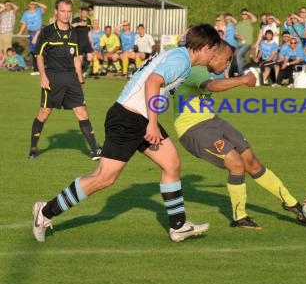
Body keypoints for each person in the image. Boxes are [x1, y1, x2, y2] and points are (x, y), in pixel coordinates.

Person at [31, 24, 221, 243]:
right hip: (129, 119)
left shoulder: (180, 57)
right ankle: (45, 212)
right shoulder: (181, 60)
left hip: (138, 117)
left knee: (171, 163)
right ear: (206, 48)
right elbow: (153, 83)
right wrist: (152, 124)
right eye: (215, 51)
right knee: (104, 177)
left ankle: (178, 226)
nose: (215, 55)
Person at [175, 42, 306, 229]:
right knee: (236, 164)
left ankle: (293, 204)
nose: (228, 64)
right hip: (194, 129)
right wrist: (242, 80)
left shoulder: (203, 70)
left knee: (251, 161)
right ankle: (239, 217)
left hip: (213, 121)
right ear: (213, 56)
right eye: (227, 59)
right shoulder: (196, 70)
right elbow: (213, 85)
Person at [28, 0, 102, 161]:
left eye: (69, 11)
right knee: (44, 113)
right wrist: (43, 77)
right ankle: (33, 147)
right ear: (56, 11)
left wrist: (80, 79)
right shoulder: (47, 31)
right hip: (52, 77)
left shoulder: (75, 33)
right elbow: (39, 56)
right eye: (62, 11)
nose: (66, 14)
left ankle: (95, 149)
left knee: (82, 111)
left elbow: (77, 58)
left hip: (71, 78)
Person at [17, 0, 47, 75]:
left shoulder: (38, 11)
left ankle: (41, 68)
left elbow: (45, 7)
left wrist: (37, 3)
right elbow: (24, 24)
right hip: (31, 32)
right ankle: (36, 69)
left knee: (39, 49)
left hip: (38, 31)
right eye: (31, 4)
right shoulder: (26, 13)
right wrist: (20, 33)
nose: (32, 5)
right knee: (33, 51)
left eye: (33, 4)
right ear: (29, 5)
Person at [235, 9, 258, 75]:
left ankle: (241, 74)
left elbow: (255, 19)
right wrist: (240, 37)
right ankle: (246, 72)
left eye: (245, 14)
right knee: (241, 59)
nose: (244, 15)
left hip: (247, 43)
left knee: (239, 56)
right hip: (239, 44)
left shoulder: (250, 21)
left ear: (247, 15)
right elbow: (235, 34)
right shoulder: (239, 24)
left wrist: (248, 12)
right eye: (243, 14)